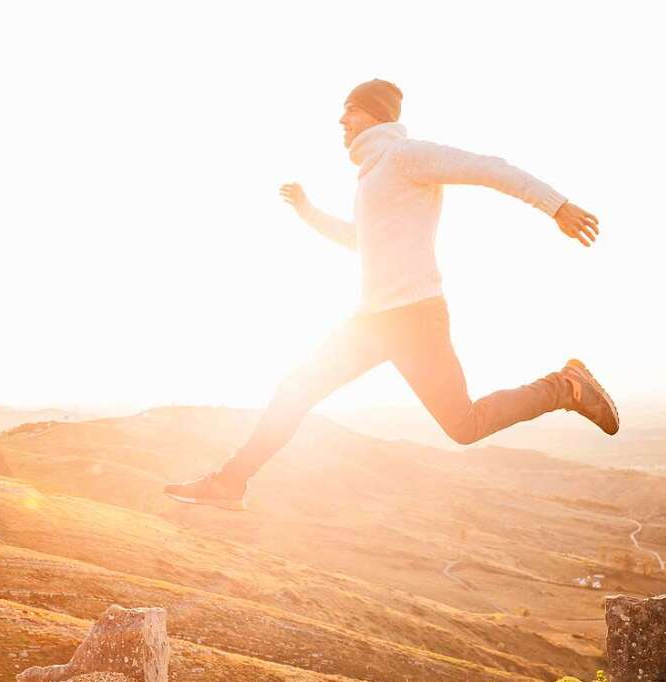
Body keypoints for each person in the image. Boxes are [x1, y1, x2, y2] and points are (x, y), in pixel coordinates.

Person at [164, 78, 618, 512]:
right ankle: (228, 484)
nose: (341, 122)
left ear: (374, 115)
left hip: (414, 318)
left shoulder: (406, 156)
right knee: (294, 391)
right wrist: (307, 211)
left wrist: (555, 205)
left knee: (464, 425)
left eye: (349, 112)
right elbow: (362, 240)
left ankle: (566, 386)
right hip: (372, 322)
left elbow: (489, 168)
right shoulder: (371, 176)